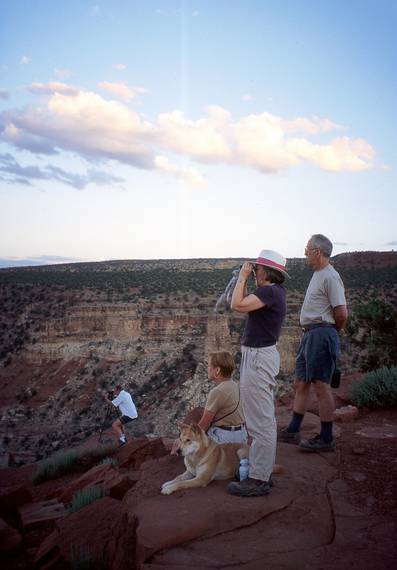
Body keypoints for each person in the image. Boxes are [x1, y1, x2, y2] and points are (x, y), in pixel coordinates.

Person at [278, 234, 348, 452]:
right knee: (301, 383)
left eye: (307, 249)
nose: (305, 253)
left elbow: (342, 313)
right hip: (309, 334)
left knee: (321, 386)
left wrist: (329, 333)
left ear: (318, 252)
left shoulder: (330, 276)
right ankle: (293, 430)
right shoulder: (318, 274)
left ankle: (326, 439)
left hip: (321, 333)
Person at [227, 250, 288, 497]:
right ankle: (260, 471)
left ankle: (258, 480)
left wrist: (242, 277)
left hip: (258, 358)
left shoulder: (269, 291)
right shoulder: (274, 293)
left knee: (259, 421)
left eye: (257, 268)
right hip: (260, 356)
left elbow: (236, 305)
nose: (254, 271)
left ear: (266, 272)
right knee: (262, 418)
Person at [198, 351, 248, 444]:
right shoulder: (236, 386)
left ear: (217, 370)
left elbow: (204, 425)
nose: (207, 369)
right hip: (241, 436)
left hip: (223, 437)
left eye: (209, 366)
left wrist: (183, 439)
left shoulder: (217, 391)